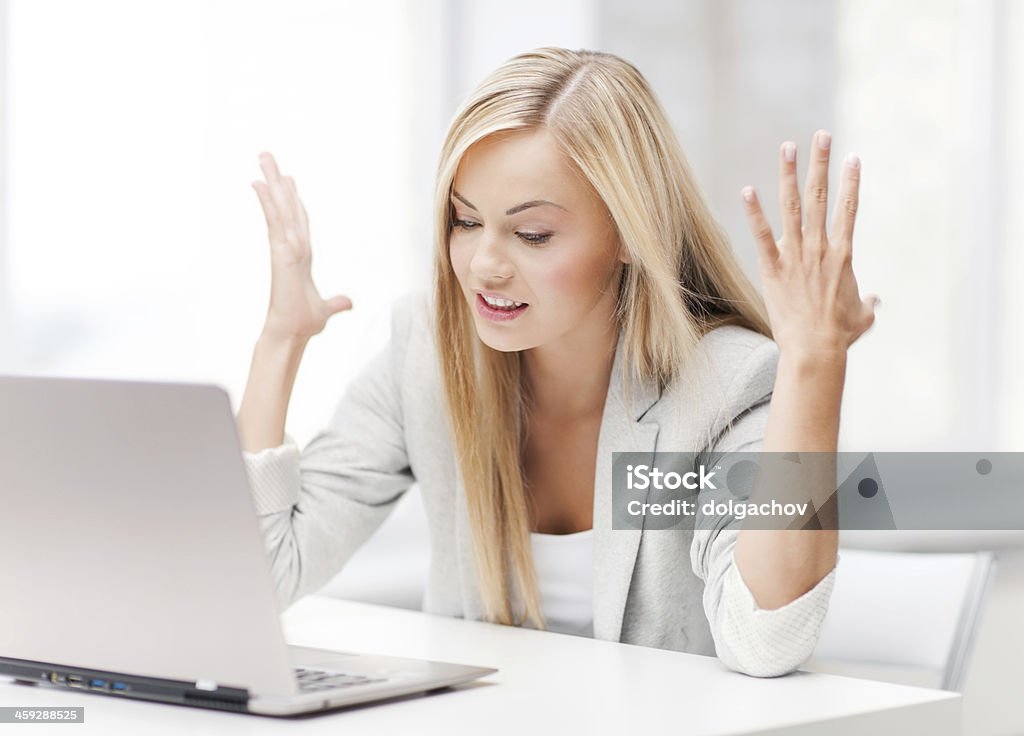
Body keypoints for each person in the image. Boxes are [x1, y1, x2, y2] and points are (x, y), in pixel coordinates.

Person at [237, 47, 878, 678]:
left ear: (632, 231)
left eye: (532, 234)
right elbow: (256, 577)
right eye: (465, 220)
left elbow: (764, 640)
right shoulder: (428, 352)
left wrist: (813, 363)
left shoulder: (725, 386)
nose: (484, 265)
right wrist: (279, 341)